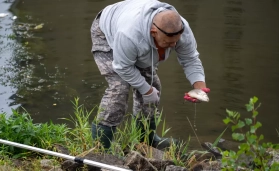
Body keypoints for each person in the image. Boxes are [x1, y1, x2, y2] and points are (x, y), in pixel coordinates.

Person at [90, 0, 210, 151]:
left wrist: (200, 89)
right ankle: (101, 147)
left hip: (137, 32)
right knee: (119, 88)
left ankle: (146, 139)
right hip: (106, 32)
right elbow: (123, 67)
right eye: (167, 43)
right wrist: (145, 90)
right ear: (154, 32)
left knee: (153, 85)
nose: (173, 46)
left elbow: (190, 58)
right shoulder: (130, 34)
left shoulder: (181, 28)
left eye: (176, 42)